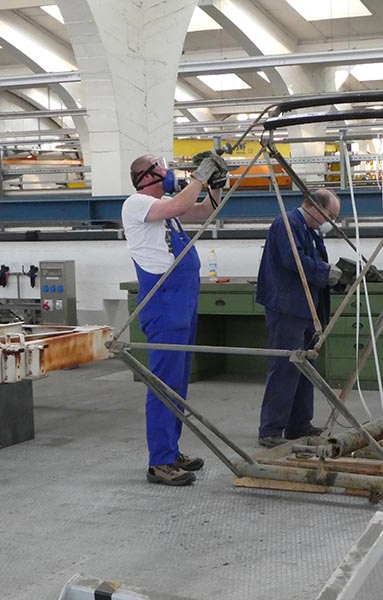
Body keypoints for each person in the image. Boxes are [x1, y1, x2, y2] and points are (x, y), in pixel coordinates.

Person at [121, 151, 228, 485]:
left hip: (182, 299)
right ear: (147, 175)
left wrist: (216, 186)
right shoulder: (136, 203)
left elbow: (205, 210)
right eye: (163, 166)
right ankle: (160, 462)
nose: (169, 171)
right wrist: (199, 175)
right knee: (163, 384)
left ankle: (172, 449)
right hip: (164, 301)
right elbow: (181, 205)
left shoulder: (168, 203)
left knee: (179, 383)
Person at [255, 188, 342, 448]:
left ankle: (299, 424)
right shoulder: (287, 224)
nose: (329, 222)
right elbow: (294, 260)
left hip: (306, 309)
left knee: (306, 368)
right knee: (285, 367)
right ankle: (270, 429)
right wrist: (325, 272)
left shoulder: (310, 228)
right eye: (329, 215)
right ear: (314, 207)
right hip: (287, 308)